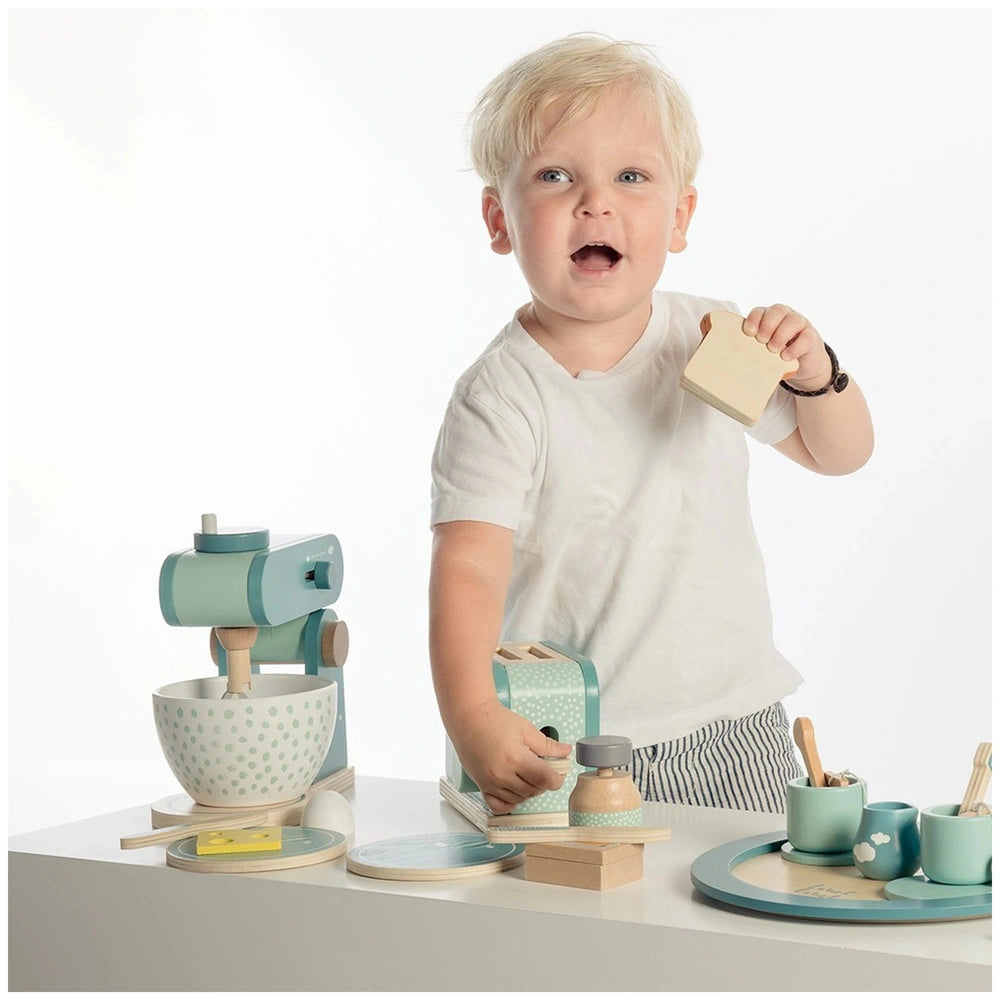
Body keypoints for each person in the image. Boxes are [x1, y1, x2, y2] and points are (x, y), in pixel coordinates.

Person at [428, 34, 874, 816]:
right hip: (579, 739)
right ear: (500, 220)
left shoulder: (710, 337)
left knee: (755, 889)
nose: (595, 202)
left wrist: (819, 376)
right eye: (555, 176)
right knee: (593, 896)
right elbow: (468, 568)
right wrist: (472, 716)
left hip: (741, 723)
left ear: (680, 216)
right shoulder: (499, 396)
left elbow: (837, 454)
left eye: (631, 177)